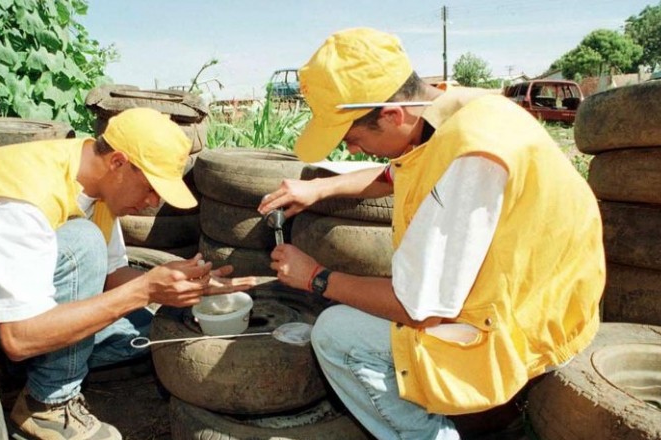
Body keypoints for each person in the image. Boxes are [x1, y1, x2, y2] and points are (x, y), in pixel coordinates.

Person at [258, 28, 604, 440]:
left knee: (337, 333)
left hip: (526, 327)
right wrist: (319, 188)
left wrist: (314, 277)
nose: (350, 151)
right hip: (555, 297)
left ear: (391, 115)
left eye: (353, 138)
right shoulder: (460, 108)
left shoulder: (467, 157)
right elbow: (397, 170)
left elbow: (420, 309)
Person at [0, 108, 255, 440]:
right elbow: (20, 337)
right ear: (118, 161)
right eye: (150, 188)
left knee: (149, 331)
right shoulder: (15, 191)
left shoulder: (97, 187)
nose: (152, 204)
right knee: (83, 243)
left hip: (10, 316)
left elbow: (112, 274)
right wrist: (145, 289)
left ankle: (5, 372)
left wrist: (186, 288)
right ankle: (47, 405)